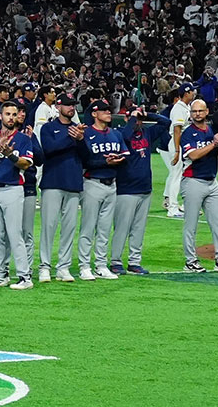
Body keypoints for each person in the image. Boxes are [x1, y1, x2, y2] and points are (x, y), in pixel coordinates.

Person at [0, 101, 35, 289]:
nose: (11, 117)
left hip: (13, 189)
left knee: (14, 234)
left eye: (13, 114)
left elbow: (26, 164)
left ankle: (24, 277)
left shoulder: (23, 139)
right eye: (7, 114)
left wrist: (10, 154)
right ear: (0, 116)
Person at [111, 106, 170, 275]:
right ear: (126, 119)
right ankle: (115, 261)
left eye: (138, 119)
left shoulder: (147, 133)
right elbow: (126, 136)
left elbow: (166, 122)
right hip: (126, 189)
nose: (137, 122)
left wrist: (146, 114)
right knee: (122, 227)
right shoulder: (120, 133)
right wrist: (131, 119)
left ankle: (134, 261)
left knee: (139, 228)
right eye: (134, 118)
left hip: (145, 188)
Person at [76, 101, 129, 280]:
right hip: (92, 183)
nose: (108, 112)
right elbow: (85, 161)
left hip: (112, 184)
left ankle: (100, 264)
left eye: (109, 110)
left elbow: (125, 154)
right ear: (94, 114)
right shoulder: (87, 133)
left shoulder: (115, 133)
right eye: (104, 110)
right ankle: (84, 266)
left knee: (105, 228)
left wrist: (118, 158)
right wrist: (105, 162)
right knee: (88, 227)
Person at [38, 94, 86, 282]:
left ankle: (63, 267)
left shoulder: (79, 130)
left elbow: (86, 155)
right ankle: (44, 266)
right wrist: (72, 138)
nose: (71, 108)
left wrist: (80, 140)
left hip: (73, 182)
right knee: (49, 226)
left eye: (73, 105)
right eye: (67, 105)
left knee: (69, 227)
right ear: (58, 107)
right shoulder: (49, 128)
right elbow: (49, 149)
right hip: (52, 181)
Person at [179, 99, 218, 273]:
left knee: (216, 223)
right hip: (193, 181)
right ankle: (190, 261)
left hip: (211, 182)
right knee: (191, 224)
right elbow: (194, 155)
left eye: (200, 111)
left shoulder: (211, 131)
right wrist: (214, 144)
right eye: (194, 111)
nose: (197, 114)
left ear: (206, 111)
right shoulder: (188, 133)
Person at [16, 101, 43, 272]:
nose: (22, 115)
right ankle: (1, 269)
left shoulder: (29, 135)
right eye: (18, 111)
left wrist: (31, 139)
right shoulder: (0, 135)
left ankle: (27, 268)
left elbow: (40, 159)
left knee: (27, 231)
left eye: (23, 112)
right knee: (5, 231)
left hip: (28, 187)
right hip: (8, 186)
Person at [165, 82, 195, 218]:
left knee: (183, 176)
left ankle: (178, 204)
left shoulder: (187, 107)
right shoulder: (178, 108)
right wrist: (177, 151)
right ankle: (172, 208)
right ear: (186, 93)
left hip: (184, 144)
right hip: (178, 143)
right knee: (176, 176)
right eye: (192, 91)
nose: (194, 93)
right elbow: (177, 131)